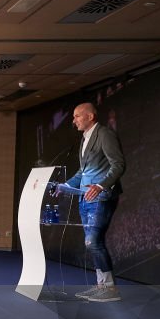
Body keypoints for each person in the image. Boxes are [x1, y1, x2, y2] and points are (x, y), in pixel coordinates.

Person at [55, 102, 126, 302]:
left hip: (100, 197)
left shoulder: (104, 134)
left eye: (77, 116)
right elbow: (83, 172)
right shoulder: (84, 139)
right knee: (91, 243)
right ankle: (101, 285)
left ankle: (110, 289)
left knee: (93, 241)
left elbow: (118, 164)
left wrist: (101, 186)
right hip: (84, 198)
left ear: (90, 117)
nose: (74, 120)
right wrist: (64, 186)